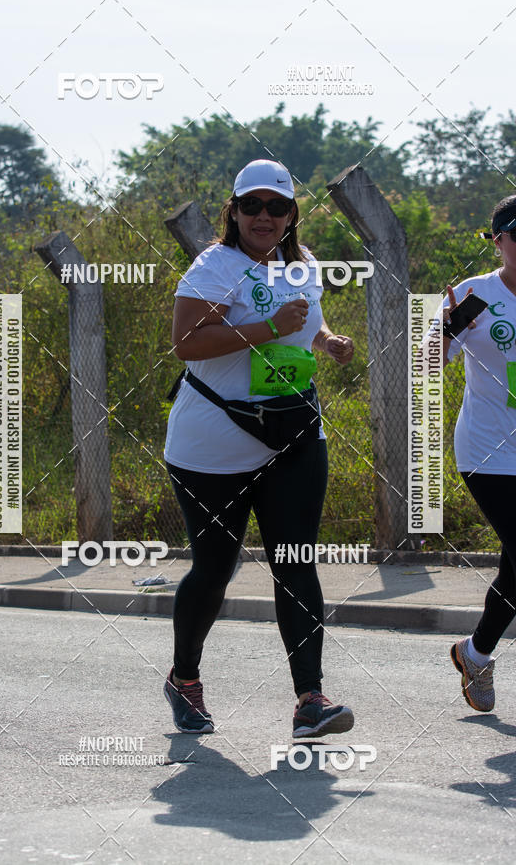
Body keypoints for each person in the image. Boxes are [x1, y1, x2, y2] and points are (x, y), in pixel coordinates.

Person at [162, 159, 355, 737]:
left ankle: (310, 700)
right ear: (234, 211)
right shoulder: (216, 265)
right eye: (253, 206)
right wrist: (267, 329)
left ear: (292, 213)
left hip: (292, 432)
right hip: (213, 444)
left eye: (277, 206)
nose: (264, 217)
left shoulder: (303, 265)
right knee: (214, 570)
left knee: (296, 563)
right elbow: (187, 343)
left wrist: (328, 339)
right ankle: (184, 678)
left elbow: (306, 322)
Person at [445, 194, 516, 712]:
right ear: (497, 241)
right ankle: (477, 654)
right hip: (488, 452)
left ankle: (475, 653)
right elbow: (426, 360)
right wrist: (447, 330)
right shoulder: (475, 294)